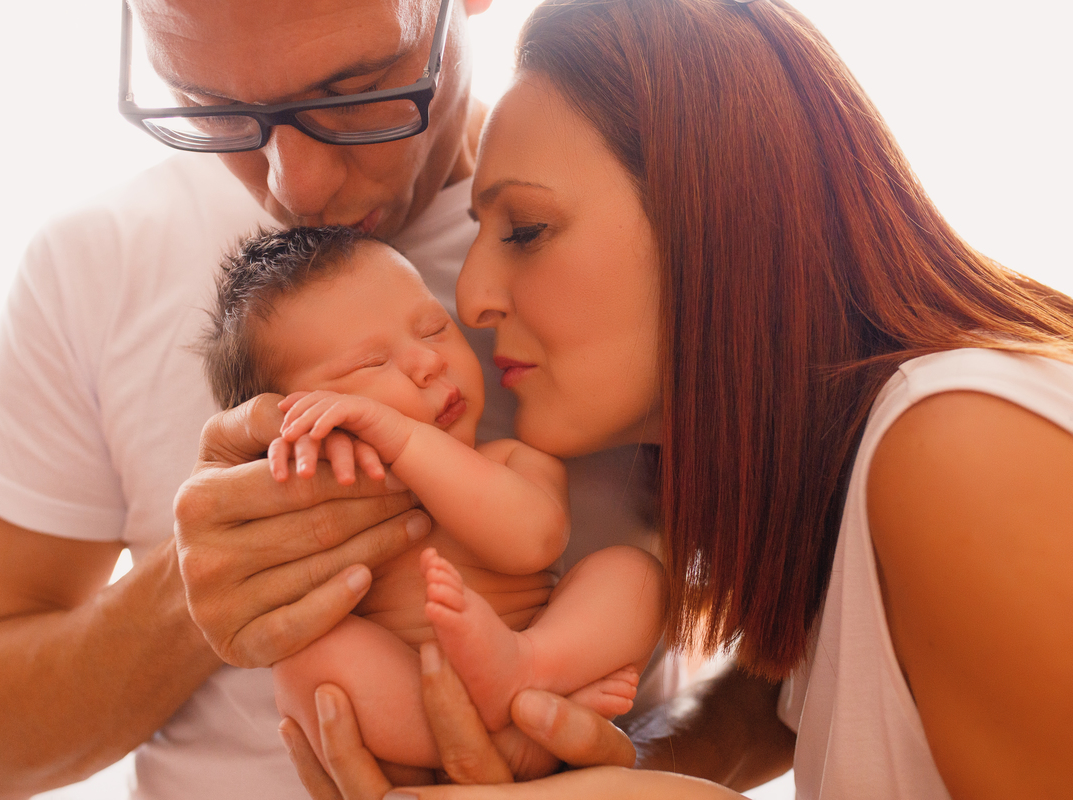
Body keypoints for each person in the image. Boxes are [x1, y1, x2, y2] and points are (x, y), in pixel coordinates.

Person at [0, 1, 790, 798]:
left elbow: (821, 645)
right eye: (212, 107)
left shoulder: (635, 217)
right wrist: (197, 593)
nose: (293, 189)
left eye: (356, 93)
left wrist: (627, 766)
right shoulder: (94, 264)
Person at [282, 0, 1073, 797]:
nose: (476, 298)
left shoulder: (958, 448)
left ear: (719, 207)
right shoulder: (851, 505)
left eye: (526, 229)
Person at [199, 225, 665, 769]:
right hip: (412, 708)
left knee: (635, 574)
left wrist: (402, 436)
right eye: (371, 364)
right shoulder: (316, 516)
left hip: (538, 661)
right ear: (293, 422)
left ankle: (527, 669)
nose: (428, 362)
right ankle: (500, 748)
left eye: (433, 329)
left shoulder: (513, 461)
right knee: (306, 663)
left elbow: (533, 543)